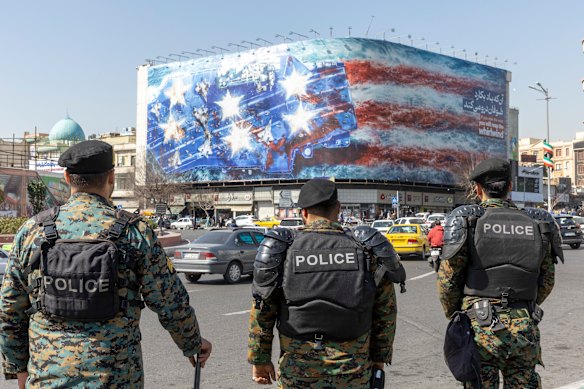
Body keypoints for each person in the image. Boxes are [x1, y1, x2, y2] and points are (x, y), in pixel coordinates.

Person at [0, 140, 212, 388]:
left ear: (67, 177)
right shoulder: (135, 232)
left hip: (49, 378)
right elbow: (169, 301)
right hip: (116, 378)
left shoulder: (32, 231)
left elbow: (10, 308)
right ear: (111, 177)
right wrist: (193, 344)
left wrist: (18, 368)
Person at [248, 178, 406, 388]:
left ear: (303, 212)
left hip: (297, 374)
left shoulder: (283, 250)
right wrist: (379, 360)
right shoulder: (366, 250)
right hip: (353, 373)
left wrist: (260, 359)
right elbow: (386, 313)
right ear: (338, 209)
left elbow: (262, 310)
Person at [437, 158, 563, 388]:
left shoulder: (467, 221)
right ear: (510, 187)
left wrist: (459, 313)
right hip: (524, 327)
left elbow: (448, 281)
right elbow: (547, 280)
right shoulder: (537, 222)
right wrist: (522, 306)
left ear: (477, 188)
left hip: (480, 328)